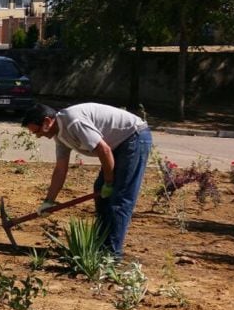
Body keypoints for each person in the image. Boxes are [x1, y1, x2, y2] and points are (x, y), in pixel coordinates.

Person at [22, 103, 152, 258]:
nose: (37, 136)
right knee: (101, 193)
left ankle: (111, 255)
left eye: (36, 131)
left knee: (119, 198)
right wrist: (49, 200)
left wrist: (109, 183)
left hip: (134, 137)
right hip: (117, 145)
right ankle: (101, 246)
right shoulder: (60, 135)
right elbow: (60, 169)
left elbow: (104, 150)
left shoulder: (73, 122)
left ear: (47, 121)